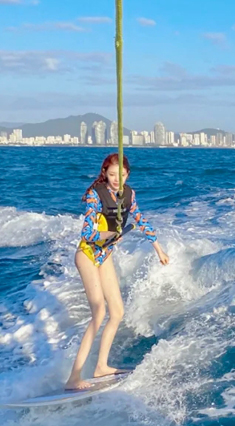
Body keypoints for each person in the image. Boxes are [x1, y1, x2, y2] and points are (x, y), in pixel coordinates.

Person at [65, 153, 169, 390]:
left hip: (105, 256)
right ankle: (74, 377)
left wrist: (159, 249)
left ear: (127, 174)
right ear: (105, 174)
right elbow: (87, 234)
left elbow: (141, 221)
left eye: (121, 175)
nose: (116, 179)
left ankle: (101, 366)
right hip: (88, 254)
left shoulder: (129, 195)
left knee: (118, 312)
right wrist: (111, 234)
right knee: (99, 312)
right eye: (111, 174)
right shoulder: (95, 195)